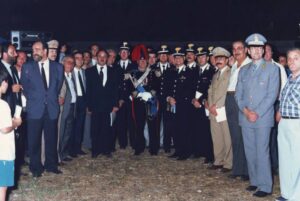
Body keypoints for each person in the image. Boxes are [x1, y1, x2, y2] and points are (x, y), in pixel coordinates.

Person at [235, 33, 279, 197]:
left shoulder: (272, 69)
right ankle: (255, 181)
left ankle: (266, 185)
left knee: (262, 151)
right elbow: (238, 95)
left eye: (259, 48)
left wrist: (257, 113)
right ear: (248, 50)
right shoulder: (243, 70)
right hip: (246, 117)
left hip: (263, 118)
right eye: (252, 48)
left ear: (263, 49)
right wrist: (246, 111)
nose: (256, 51)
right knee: (250, 151)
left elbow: (272, 95)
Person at [21, 41, 64, 177]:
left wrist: (49, 98)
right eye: (33, 49)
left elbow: (57, 87)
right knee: (34, 140)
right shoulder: (27, 67)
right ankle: (36, 167)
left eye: (37, 49)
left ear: (45, 51)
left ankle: (51, 165)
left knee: (51, 138)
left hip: (51, 108)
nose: (34, 52)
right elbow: (26, 88)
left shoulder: (58, 67)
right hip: (35, 108)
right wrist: (36, 98)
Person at [276, 48, 300, 201]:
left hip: (297, 123)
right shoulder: (290, 78)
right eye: (289, 58)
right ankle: (286, 193)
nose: (291, 61)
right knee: (285, 160)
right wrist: (279, 112)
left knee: (297, 160)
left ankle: (297, 196)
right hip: (285, 123)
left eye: (296, 58)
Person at [86, 50, 119, 158]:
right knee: (95, 128)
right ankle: (95, 150)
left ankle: (106, 150)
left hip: (108, 105)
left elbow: (115, 90)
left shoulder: (113, 71)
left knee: (106, 128)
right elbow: (88, 90)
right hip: (95, 105)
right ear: (97, 57)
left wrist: (115, 105)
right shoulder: (89, 71)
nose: (102, 58)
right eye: (100, 56)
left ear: (107, 58)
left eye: (104, 56)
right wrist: (89, 106)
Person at [226, 41, 251, 180]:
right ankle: (237, 169)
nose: (236, 51)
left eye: (239, 48)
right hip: (230, 99)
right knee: (235, 136)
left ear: (246, 50)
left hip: (241, 101)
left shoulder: (250, 65)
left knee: (244, 136)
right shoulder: (234, 65)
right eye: (234, 49)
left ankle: (247, 171)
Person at [207, 47, 232, 172]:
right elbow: (210, 91)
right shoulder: (215, 74)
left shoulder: (231, 73)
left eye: (221, 58)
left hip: (223, 109)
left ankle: (228, 163)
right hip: (213, 110)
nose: (219, 61)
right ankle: (218, 160)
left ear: (227, 60)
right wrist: (211, 105)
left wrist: (216, 106)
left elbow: (228, 92)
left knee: (227, 137)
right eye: (217, 58)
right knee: (216, 137)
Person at [166, 47, 194, 160]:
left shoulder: (189, 72)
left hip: (183, 105)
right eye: (176, 58)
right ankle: (177, 150)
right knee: (174, 128)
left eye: (180, 58)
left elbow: (190, 90)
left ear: (184, 59)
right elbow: (167, 88)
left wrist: (178, 99)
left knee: (184, 128)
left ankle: (185, 152)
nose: (177, 60)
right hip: (172, 105)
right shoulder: (171, 72)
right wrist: (168, 98)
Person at [190, 47, 215, 163]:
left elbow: (210, 89)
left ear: (208, 58)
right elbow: (189, 87)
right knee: (196, 128)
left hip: (205, 103)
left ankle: (209, 154)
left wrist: (200, 101)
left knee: (207, 130)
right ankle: (198, 150)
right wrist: (192, 99)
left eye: (203, 57)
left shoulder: (212, 71)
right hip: (194, 104)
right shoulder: (194, 71)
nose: (201, 59)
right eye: (199, 57)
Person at [0, 70, 22, 201]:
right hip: (3, 153)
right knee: (2, 187)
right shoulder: (2, 105)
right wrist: (15, 123)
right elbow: (4, 129)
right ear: (3, 83)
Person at [151, 45, 173, 153]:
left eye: (165, 54)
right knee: (155, 123)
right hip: (156, 100)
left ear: (168, 56)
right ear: (158, 56)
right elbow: (150, 84)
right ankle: (155, 147)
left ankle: (167, 146)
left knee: (168, 123)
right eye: (161, 55)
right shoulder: (152, 68)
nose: (163, 56)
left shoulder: (173, 68)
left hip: (168, 100)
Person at [114, 42, 137, 150]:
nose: (123, 53)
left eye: (125, 52)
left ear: (129, 53)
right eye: (122, 52)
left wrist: (134, 93)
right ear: (119, 53)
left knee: (131, 121)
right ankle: (122, 143)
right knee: (120, 122)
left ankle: (133, 142)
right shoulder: (115, 65)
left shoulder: (134, 66)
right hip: (119, 98)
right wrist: (118, 98)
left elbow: (137, 82)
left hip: (130, 98)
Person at [58, 56, 77, 162]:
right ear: (62, 63)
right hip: (63, 108)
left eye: (72, 63)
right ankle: (58, 156)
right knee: (61, 132)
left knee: (67, 132)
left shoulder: (71, 76)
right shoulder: (59, 76)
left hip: (71, 107)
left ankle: (64, 154)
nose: (70, 64)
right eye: (68, 62)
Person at [70, 51, 87, 157]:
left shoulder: (84, 72)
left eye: (81, 58)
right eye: (77, 58)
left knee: (80, 125)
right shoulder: (69, 72)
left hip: (83, 100)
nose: (80, 60)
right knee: (72, 125)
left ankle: (78, 147)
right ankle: (71, 150)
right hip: (74, 101)